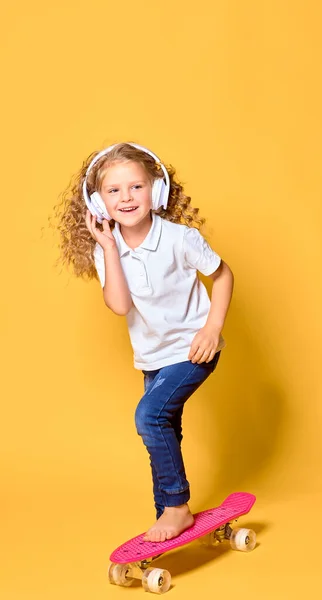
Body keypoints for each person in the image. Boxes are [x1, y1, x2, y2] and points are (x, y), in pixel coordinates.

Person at [53, 141, 234, 542]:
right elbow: (119, 305)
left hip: (192, 350)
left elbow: (222, 275)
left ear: (157, 190)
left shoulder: (179, 238)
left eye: (136, 187)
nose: (126, 198)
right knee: (165, 426)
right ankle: (166, 516)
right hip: (151, 357)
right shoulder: (108, 249)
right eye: (114, 191)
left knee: (148, 417)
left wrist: (211, 329)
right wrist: (107, 247)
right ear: (97, 202)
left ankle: (175, 507)